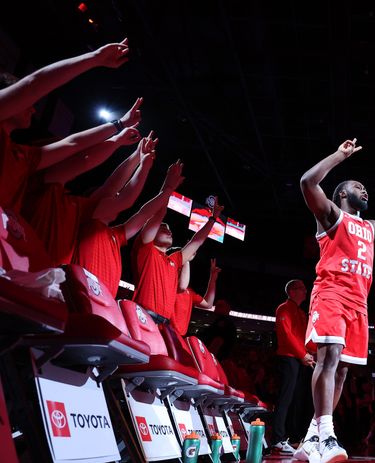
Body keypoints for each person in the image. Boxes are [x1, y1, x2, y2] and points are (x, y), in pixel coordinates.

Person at [296, 138, 375, 463]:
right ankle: (326, 435)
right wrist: (339, 155)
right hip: (331, 294)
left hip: (358, 305)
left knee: (343, 371)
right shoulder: (330, 215)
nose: (365, 191)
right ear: (341, 195)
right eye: (357, 187)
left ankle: (312, 433)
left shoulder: (370, 226)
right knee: (329, 358)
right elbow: (307, 182)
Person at [0, 39, 130, 215]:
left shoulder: (22, 157)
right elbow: (33, 83)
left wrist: (119, 126)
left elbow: (74, 144)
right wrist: (95, 58)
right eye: (28, 101)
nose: (33, 108)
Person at [72, 134, 181, 297]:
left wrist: (168, 188)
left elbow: (144, 214)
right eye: (112, 196)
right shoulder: (86, 217)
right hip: (79, 297)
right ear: (95, 200)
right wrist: (143, 164)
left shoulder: (116, 235)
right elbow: (125, 197)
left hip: (104, 307)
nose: (116, 197)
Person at [132, 178, 222, 323]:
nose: (169, 232)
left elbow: (197, 241)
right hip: (142, 316)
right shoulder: (145, 249)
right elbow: (159, 213)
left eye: (170, 230)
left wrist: (213, 219)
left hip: (163, 325)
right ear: (152, 231)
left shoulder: (173, 260)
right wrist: (168, 187)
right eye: (163, 228)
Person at [273, 280, 315, 455]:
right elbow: (287, 335)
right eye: (301, 289)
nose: (305, 292)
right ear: (291, 291)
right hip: (288, 359)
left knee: (296, 400)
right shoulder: (284, 309)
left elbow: (302, 336)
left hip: (298, 359)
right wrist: (303, 354)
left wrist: (310, 353)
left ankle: (291, 437)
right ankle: (278, 439)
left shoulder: (299, 312)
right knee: (285, 399)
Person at [172, 258, 221, 337]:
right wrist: (187, 259)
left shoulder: (189, 292)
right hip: (165, 332)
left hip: (179, 337)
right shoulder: (168, 284)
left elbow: (208, 304)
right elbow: (181, 287)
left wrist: (213, 279)